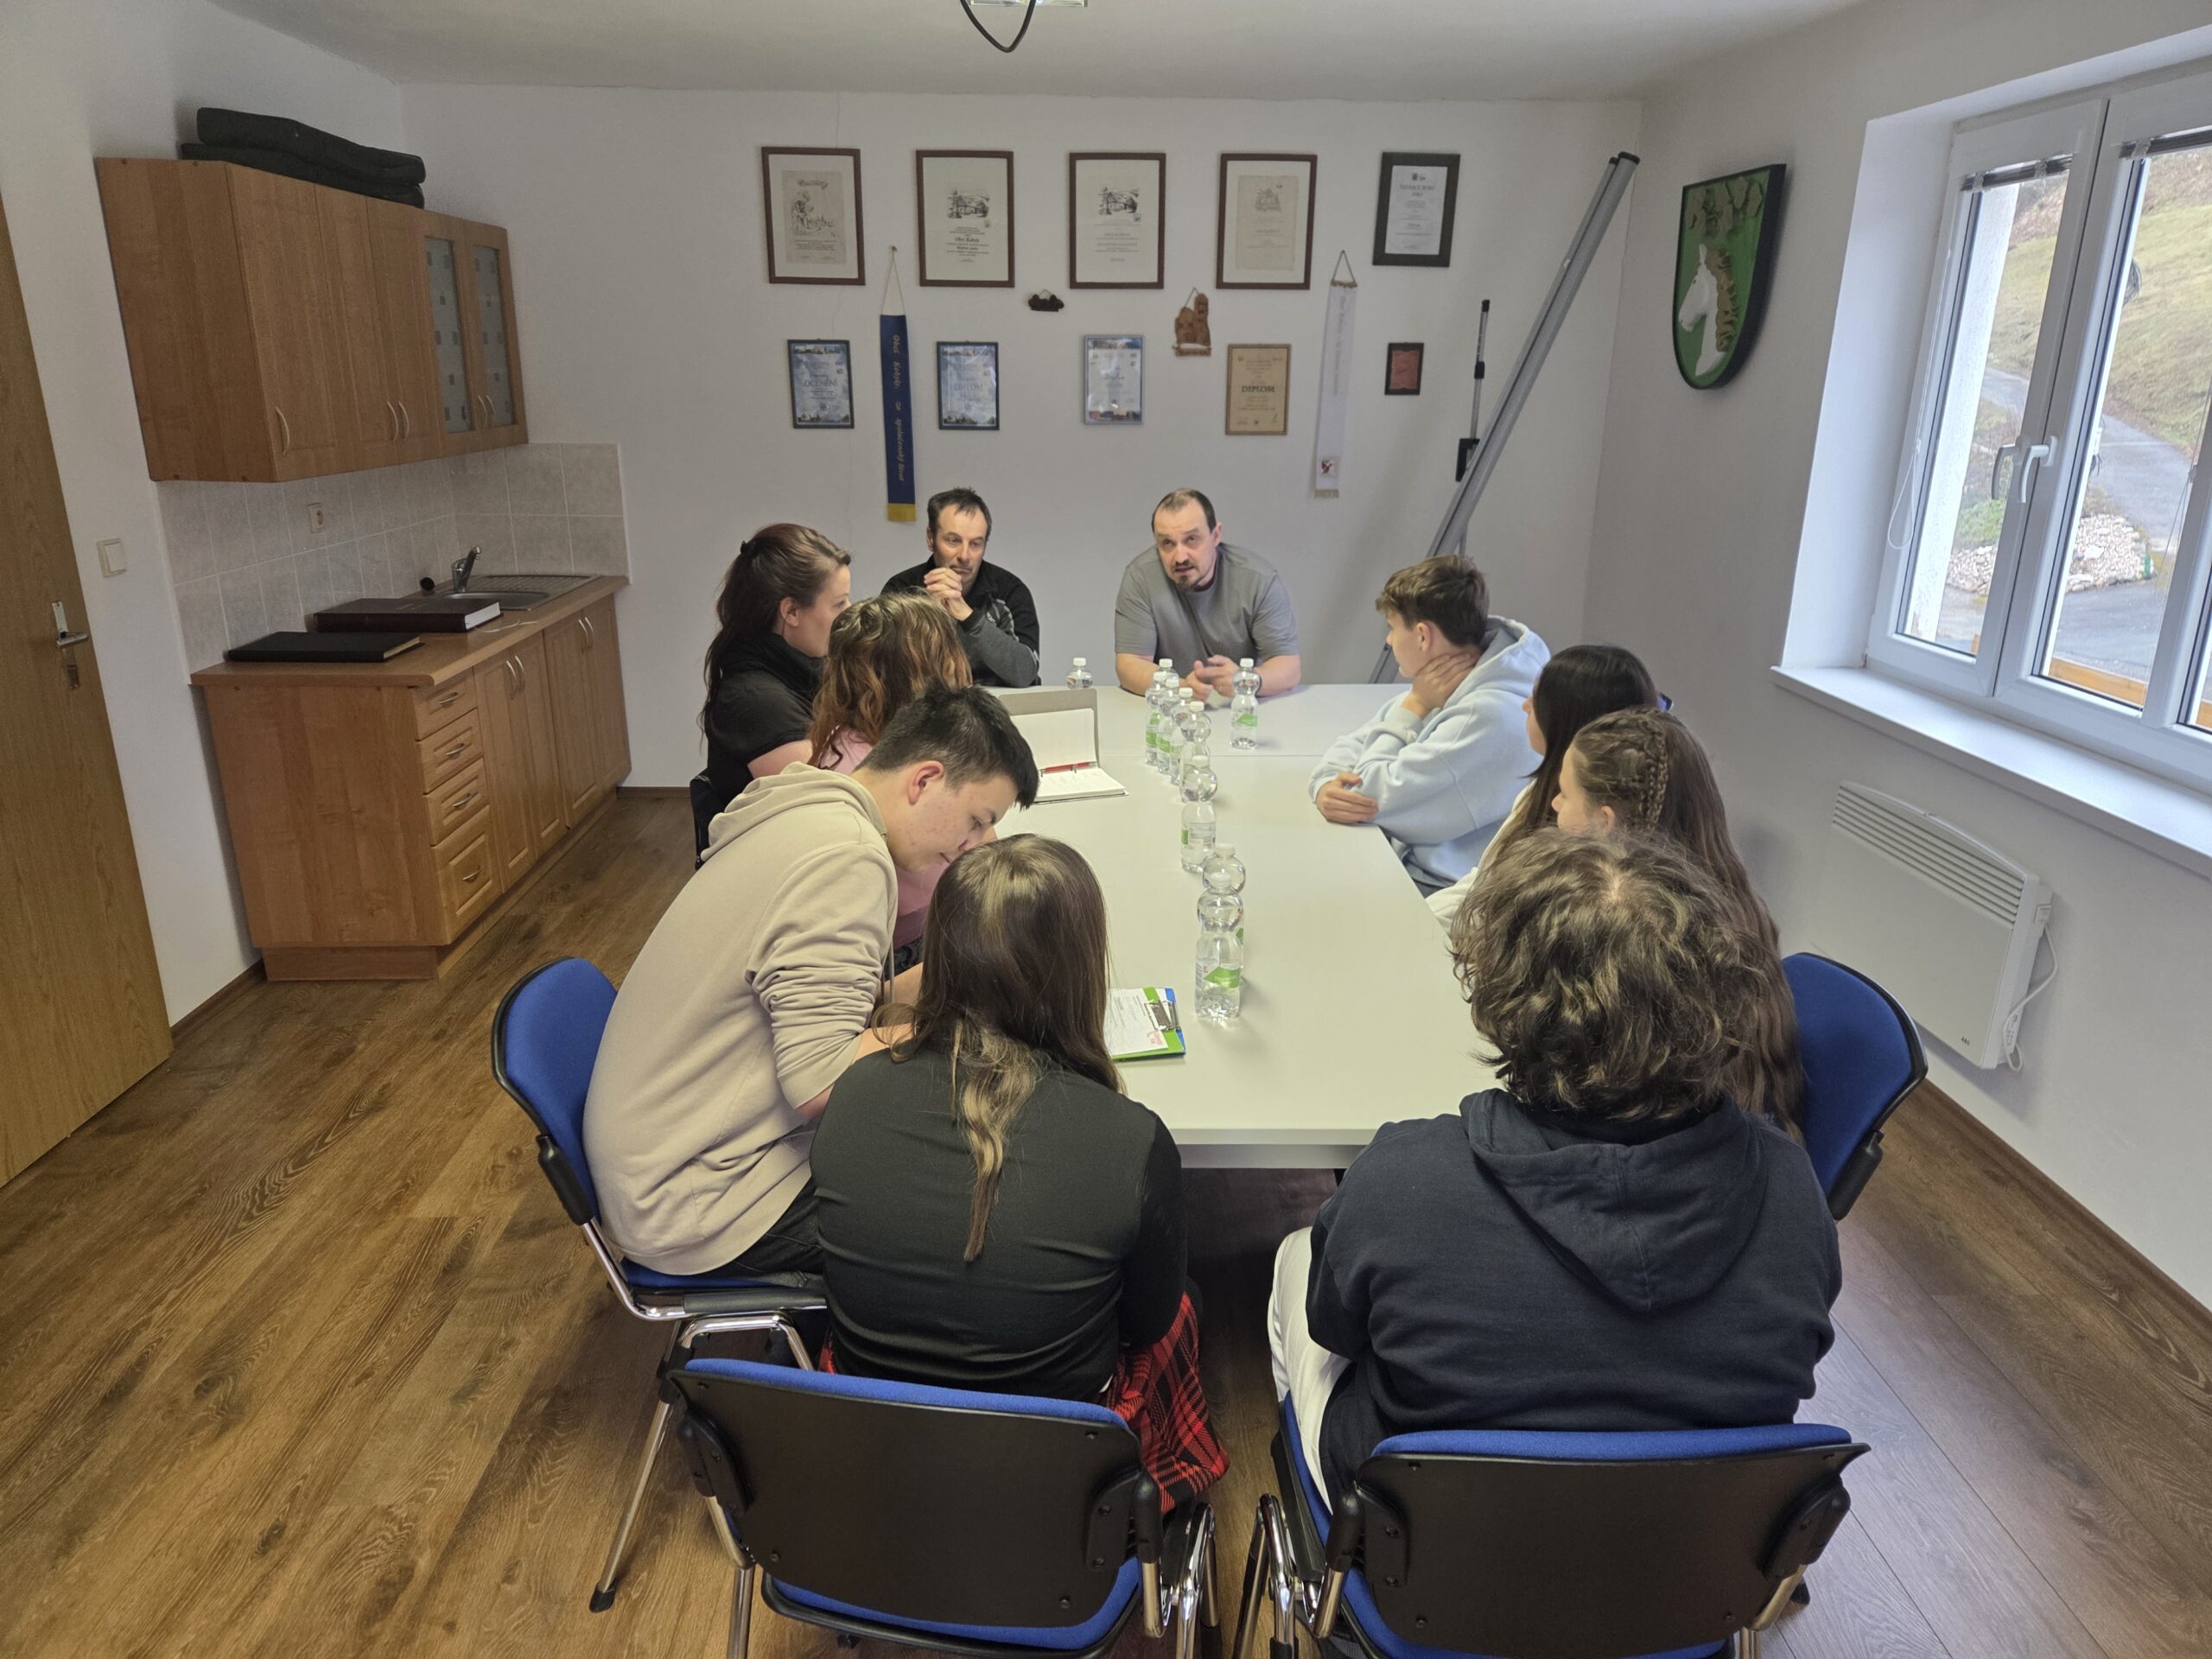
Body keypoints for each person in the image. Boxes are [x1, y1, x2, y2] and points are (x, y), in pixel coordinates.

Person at [1268, 831, 1841, 1503]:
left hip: (1426, 1533)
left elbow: (1335, 1327)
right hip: (1698, 1543)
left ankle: (1306, 1530)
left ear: (1501, 996)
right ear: (1714, 995)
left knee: (1294, 1253)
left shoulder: (1404, 1179)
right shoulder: (1792, 1187)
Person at [811, 835, 1227, 1508]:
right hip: (1056, 1478)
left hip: (878, 1459)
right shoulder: (1131, 1139)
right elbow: (1147, 1325)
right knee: (1190, 1301)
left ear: (939, 958)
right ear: (1081, 971)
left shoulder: (855, 1094)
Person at [584, 687, 1039, 1282]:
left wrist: (958, 979)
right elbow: (820, 1081)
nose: (976, 846)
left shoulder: (809, 807)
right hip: (697, 1200)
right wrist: (959, 1026)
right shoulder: (847, 861)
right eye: (977, 822)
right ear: (925, 779)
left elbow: (829, 1003)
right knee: (983, 1220)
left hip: (665, 1154)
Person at [1554, 707, 1806, 1127]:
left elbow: (1598, 1081)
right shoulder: (1736, 899)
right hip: (1736, 1128)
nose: (1554, 804)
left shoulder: (1640, 938)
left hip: (1676, 1140)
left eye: (1565, 794)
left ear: (1604, 821)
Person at [1307, 557, 1550, 892]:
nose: (1389, 640)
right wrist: (1324, 785)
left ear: (1422, 635)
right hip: (1410, 863)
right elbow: (1356, 743)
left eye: (1392, 628)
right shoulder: (1469, 676)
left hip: (1440, 888)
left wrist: (1416, 705)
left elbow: (1364, 797)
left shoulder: (1483, 714)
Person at [1425, 644, 1660, 925]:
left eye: (1537, 700)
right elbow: (1484, 883)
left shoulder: (1583, 833)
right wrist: (1420, 916)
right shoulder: (1542, 792)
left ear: (1565, 717)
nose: (1525, 706)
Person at [807, 591, 975, 955]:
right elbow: (970, 852)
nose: (955, 671)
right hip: (906, 943)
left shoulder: (873, 740)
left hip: (925, 920)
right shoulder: (870, 773)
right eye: (944, 658)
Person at [698, 524, 853, 846]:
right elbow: (830, 813)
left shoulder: (799, 666)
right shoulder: (756, 703)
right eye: (838, 604)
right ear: (791, 612)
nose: (849, 613)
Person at [1113, 488, 1300, 700]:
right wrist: (1182, 688)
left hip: (1239, 706)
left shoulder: (1258, 579)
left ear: (1216, 535)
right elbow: (1130, 664)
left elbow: (1288, 666)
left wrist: (1245, 680)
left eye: (1192, 539)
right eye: (1167, 543)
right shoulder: (1140, 577)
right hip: (1171, 706)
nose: (1180, 557)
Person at [881, 486, 1041, 688]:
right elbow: (885, 673)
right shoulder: (902, 590)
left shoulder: (1010, 591)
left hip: (999, 704)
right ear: (931, 538)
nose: (965, 556)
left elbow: (1025, 674)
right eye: (953, 541)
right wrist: (928, 615)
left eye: (975, 544)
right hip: (926, 704)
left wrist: (969, 617)